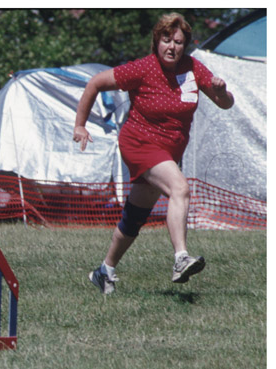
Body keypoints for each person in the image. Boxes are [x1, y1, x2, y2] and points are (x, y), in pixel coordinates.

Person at [73, 13, 234, 294]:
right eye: (166, 40)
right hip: (140, 144)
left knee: (136, 216)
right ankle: (180, 258)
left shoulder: (194, 69)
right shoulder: (142, 68)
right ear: (156, 42)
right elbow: (95, 83)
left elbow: (225, 104)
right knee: (180, 188)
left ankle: (104, 271)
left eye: (179, 42)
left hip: (168, 151)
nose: (172, 46)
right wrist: (80, 125)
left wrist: (222, 92)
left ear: (185, 45)